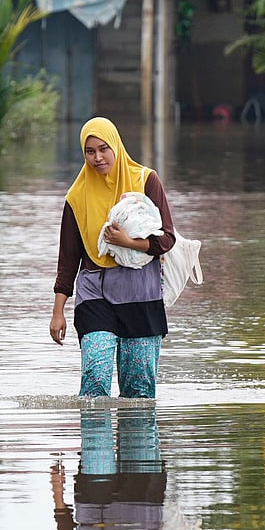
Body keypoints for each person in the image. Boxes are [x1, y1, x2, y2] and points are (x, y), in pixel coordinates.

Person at [50, 117, 175, 398]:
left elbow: (167, 238)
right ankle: (94, 442)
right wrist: (58, 312)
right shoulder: (76, 196)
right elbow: (68, 259)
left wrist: (129, 242)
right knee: (94, 379)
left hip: (140, 292)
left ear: (116, 146)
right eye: (90, 151)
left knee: (138, 391)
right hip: (95, 292)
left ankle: (138, 441)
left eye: (104, 149)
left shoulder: (145, 181)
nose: (97, 158)